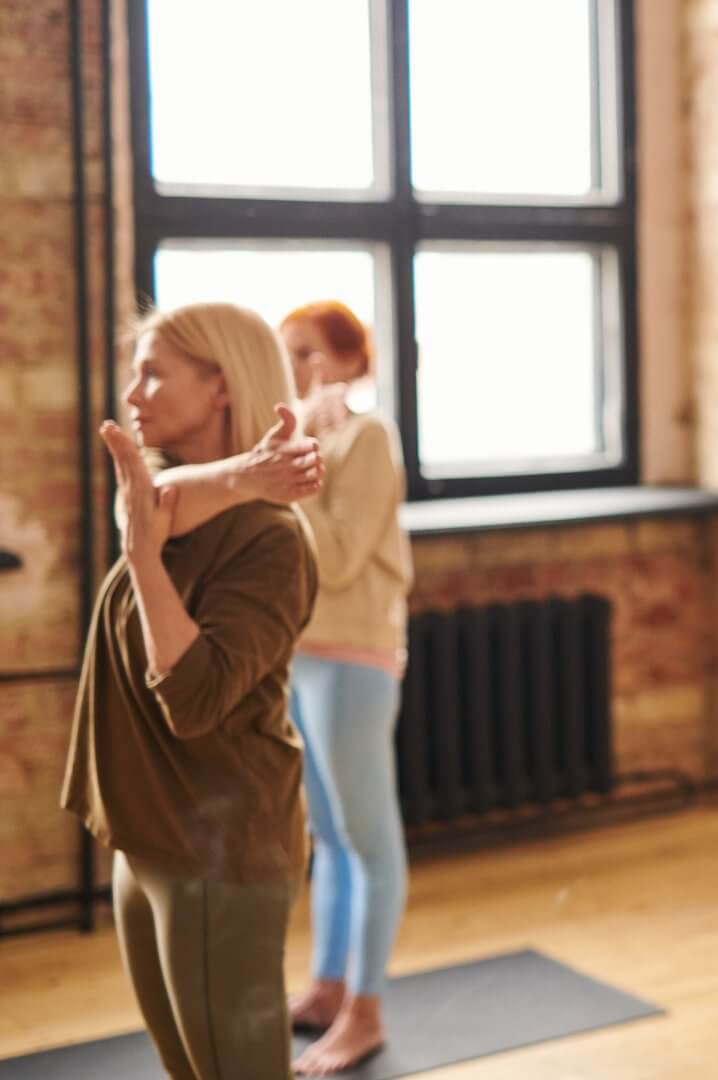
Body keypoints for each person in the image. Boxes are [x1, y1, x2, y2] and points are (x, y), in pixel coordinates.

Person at [61, 302, 321, 1080]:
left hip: (220, 843)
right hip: (151, 834)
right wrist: (234, 477)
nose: (132, 394)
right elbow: (157, 504)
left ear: (220, 388)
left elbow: (195, 698)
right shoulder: (171, 499)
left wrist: (142, 557)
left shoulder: (269, 540)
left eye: (152, 374)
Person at [278, 301, 414, 1076]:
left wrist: (298, 460)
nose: (294, 368)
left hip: (355, 656)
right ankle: (327, 990)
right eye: (285, 352)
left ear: (343, 362)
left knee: (369, 838)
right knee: (326, 837)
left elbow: (334, 561)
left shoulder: (366, 438)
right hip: (302, 654)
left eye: (305, 353)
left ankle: (365, 1012)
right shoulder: (310, 443)